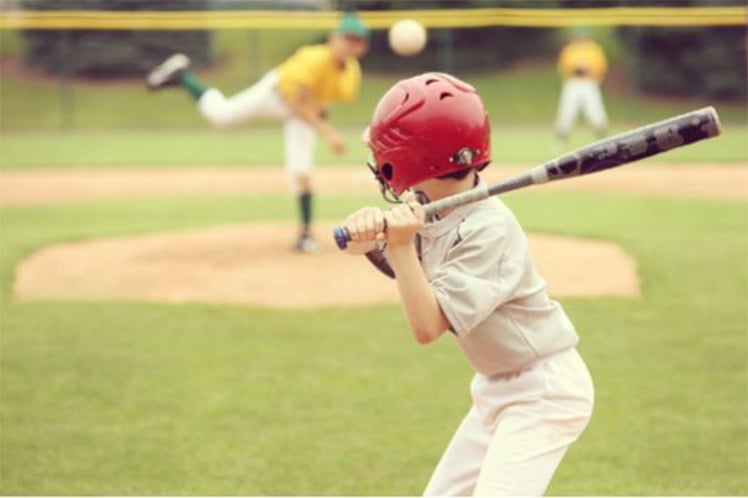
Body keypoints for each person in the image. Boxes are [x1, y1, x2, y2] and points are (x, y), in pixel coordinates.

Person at [340, 72, 594, 496]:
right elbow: (406, 271)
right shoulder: (429, 205)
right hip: (496, 386)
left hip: (543, 393)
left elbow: (428, 325)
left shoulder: (489, 229)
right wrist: (368, 243)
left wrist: (401, 246)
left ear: (413, 159)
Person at [146, 11, 370, 252]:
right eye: (345, 38)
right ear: (333, 38)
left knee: (301, 170)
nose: (348, 44)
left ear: (362, 47)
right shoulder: (314, 58)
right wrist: (328, 132)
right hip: (276, 95)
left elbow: (323, 102)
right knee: (222, 115)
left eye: (354, 41)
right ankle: (182, 76)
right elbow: (298, 104)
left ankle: (305, 235)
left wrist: (321, 122)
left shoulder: (351, 74)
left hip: (303, 113)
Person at [554, 29, 609, 147]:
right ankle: (561, 140)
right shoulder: (569, 49)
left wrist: (590, 70)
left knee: (596, 112)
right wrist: (575, 68)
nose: (581, 39)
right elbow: (563, 67)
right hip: (573, 82)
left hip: (589, 82)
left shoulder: (595, 49)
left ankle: (602, 140)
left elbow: (602, 67)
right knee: (567, 112)